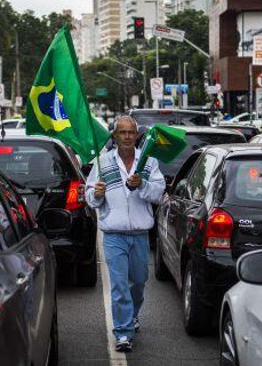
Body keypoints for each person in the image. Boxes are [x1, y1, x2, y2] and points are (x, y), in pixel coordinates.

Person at [85, 115, 165, 352]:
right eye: (123, 132)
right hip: (114, 235)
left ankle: (132, 316)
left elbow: (158, 194)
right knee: (119, 286)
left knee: (138, 283)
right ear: (115, 136)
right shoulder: (103, 162)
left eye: (131, 132)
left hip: (140, 234)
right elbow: (91, 198)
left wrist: (142, 184)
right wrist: (97, 194)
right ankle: (122, 332)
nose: (128, 137)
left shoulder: (148, 163)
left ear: (137, 136)